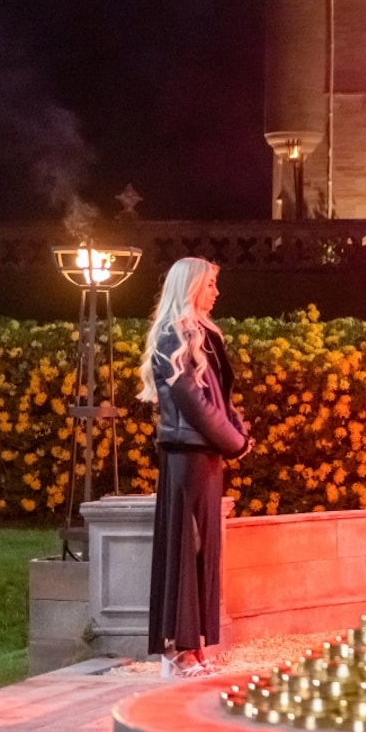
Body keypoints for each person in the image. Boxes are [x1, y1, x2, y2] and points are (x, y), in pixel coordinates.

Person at [137, 257, 251, 678]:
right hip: (186, 457)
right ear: (190, 287)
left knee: (201, 549)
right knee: (188, 548)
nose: (216, 292)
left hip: (203, 455)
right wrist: (236, 443)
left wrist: (236, 434)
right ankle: (177, 652)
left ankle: (192, 646)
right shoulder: (173, 335)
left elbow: (219, 399)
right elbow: (193, 404)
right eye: (210, 284)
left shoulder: (199, 333)